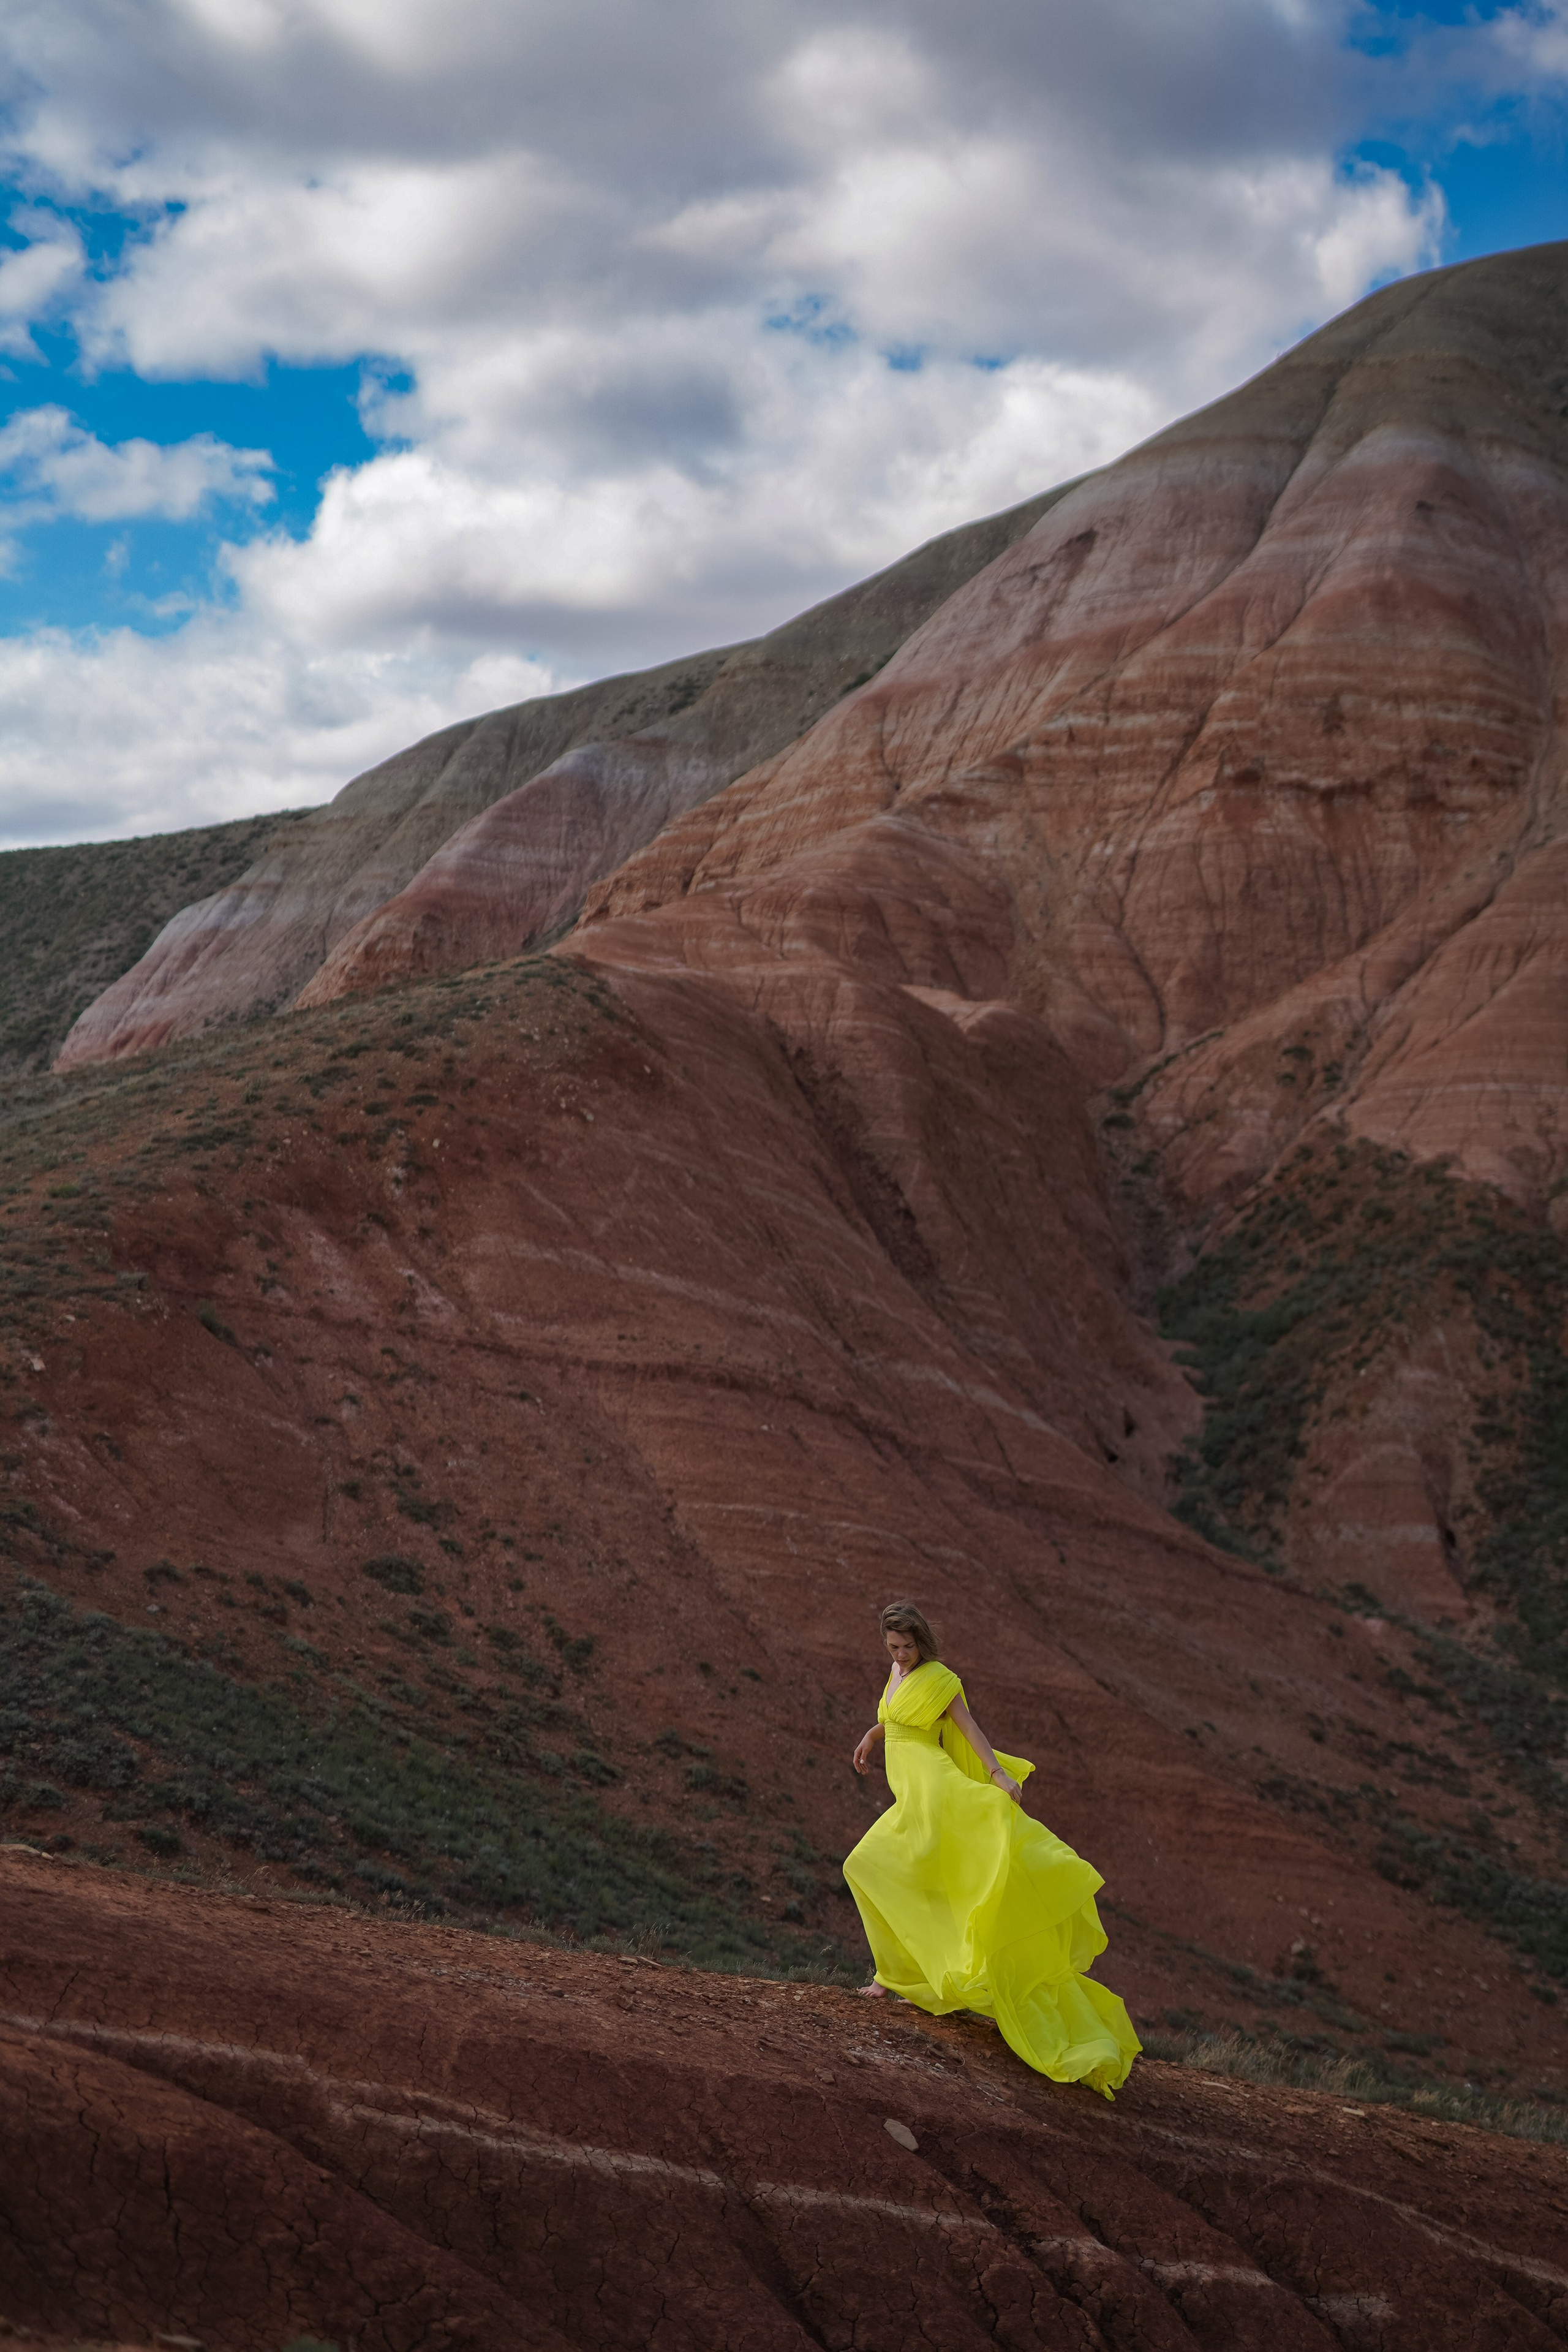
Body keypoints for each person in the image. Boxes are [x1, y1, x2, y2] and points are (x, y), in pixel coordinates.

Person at [842, 1598, 1140, 2099]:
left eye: (908, 1646)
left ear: (921, 1641)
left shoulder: (941, 1678)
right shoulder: (895, 1673)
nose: (901, 1653)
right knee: (872, 1869)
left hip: (936, 1793)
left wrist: (999, 1774)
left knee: (889, 1869)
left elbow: (968, 1728)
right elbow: (898, 1722)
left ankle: (899, 1979)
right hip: (911, 1798)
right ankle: (901, 1977)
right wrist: (872, 1737)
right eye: (893, 1646)